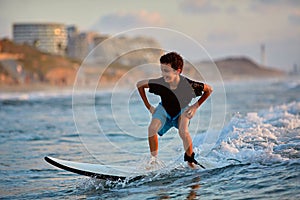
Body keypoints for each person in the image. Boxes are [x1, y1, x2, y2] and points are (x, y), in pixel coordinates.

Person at [136, 52, 213, 168]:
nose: (163, 74)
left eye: (166, 71)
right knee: (152, 129)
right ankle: (153, 161)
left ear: (178, 71)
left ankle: (190, 161)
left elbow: (209, 90)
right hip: (164, 109)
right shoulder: (160, 83)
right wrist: (149, 107)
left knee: (183, 131)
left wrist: (195, 106)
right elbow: (139, 85)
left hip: (182, 110)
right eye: (162, 70)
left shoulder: (189, 85)